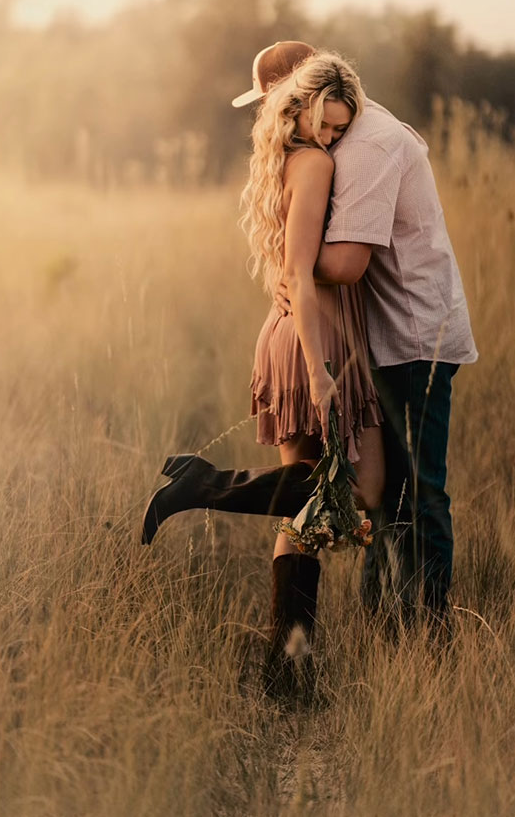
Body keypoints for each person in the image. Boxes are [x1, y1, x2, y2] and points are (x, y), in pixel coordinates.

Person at [142, 40, 477, 636]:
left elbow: (335, 262)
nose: (272, 111)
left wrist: (289, 264)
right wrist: (294, 270)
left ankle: (296, 653)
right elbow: (333, 266)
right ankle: (397, 633)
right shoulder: (318, 154)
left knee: (362, 496)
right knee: (373, 491)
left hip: (388, 332)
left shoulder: (346, 146)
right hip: (322, 331)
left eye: (274, 98)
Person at [143, 47, 385, 695]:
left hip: (292, 333)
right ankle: (204, 486)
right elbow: (302, 276)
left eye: (339, 126)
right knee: (357, 493)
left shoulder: (282, 157)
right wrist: (318, 371)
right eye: (328, 122)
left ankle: (289, 670)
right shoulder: (314, 164)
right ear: (302, 102)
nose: (335, 136)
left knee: (303, 509)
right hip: (314, 339)